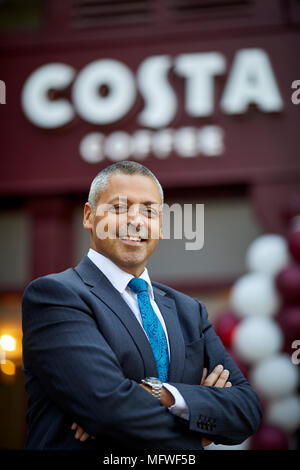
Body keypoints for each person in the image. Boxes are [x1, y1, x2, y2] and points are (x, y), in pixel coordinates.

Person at [22, 161, 261, 450]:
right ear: (89, 216)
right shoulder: (56, 296)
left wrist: (162, 394)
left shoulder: (189, 312)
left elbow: (246, 410)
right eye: (120, 207)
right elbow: (109, 410)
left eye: (149, 211)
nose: (136, 221)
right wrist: (199, 433)